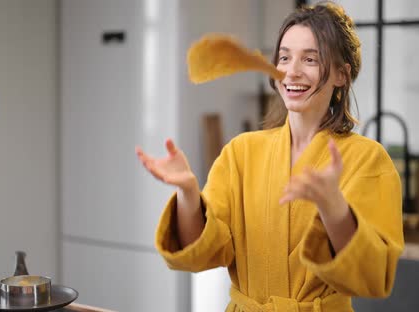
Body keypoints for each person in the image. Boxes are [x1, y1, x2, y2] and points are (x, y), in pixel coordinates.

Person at [135, 2, 403, 311]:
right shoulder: (242, 152)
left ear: (341, 75)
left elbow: (372, 275)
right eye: (285, 57)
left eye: (311, 59)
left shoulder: (369, 160)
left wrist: (334, 208)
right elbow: (202, 252)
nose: (292, 71)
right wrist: (188, 193)